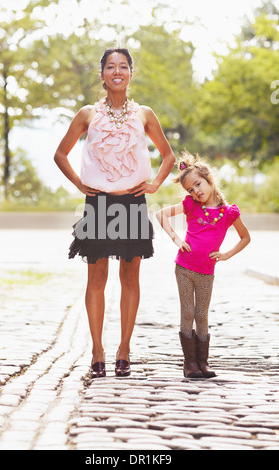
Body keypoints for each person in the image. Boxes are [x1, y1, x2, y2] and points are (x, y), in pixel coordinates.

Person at [54, 48, 175, 379]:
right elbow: (60, 154)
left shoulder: (145, 114)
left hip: (133, 203)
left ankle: (124, 350)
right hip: (99, 205)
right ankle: (97, 352)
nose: (117, 71)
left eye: (124, 66)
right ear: (103, 74)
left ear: (131, 74)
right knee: (96, 278)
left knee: (130, 277)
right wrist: (81, 183)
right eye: (111, 66)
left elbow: (168, 156)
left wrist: (154, 186)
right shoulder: (87, 114)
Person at [156, 151, 250, 378]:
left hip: (206, 273)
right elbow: (161, 215)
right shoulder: (190, 205)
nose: (196, 191)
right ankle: (190, 364)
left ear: (209, 180)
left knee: (202, 314)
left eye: (198, 184)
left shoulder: (228, 213)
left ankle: (203, 363)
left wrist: (226, 255)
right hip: (184, 269)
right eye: (190, 189)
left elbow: (245, 237)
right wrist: (176, 239)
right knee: (187, 312)